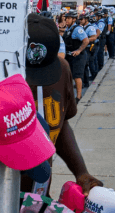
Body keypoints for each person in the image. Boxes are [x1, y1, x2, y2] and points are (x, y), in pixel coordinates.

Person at [24, 14, 103, 198]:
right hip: (1, 203)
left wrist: (81, 171)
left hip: (39, 195)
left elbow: (60, 124)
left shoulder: (62, 69)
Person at [62, 10, 89, 103]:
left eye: (68, 18)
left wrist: (79, 50)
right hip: (69, 56)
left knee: (77, 76)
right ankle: (69, 95)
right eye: (66, 18)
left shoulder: (78, 29)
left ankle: (78, 97)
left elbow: (86, 41)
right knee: (69, 75)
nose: (66, 20)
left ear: (74, 19)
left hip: (78, 56)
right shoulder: (68, 29)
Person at [80, 13, 100, 86]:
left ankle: (86, 82)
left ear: (86, 19)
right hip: (84, 48)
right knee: (84, 65)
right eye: (79, 19)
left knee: (86, 64)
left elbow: (94, 37)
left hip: (89, 48)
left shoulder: (90, 27)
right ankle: (85, 81)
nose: (80, 21)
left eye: (81, 19)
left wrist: (86, 39)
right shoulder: (82, 27)